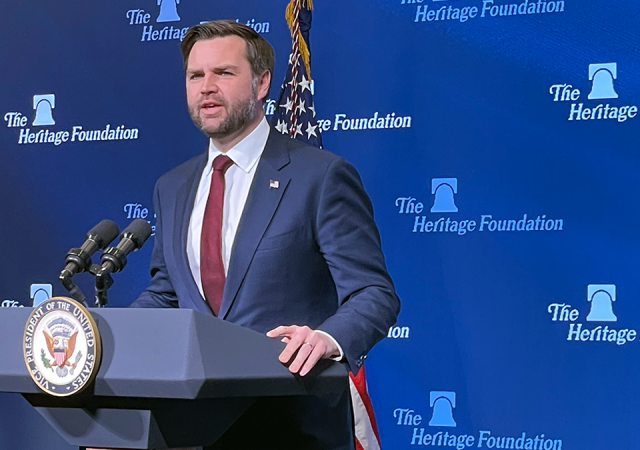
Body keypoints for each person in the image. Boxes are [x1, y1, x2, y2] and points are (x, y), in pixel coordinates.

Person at [130, 20, 400, 450]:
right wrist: (109, 335)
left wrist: (327, 339)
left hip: (294, 424)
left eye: (224, 73)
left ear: (261, 83)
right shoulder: (172, 186)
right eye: (195, 76)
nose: (206, 87)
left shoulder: (321, 176)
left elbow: (374, 293)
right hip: (193, 428)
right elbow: (167, 293)